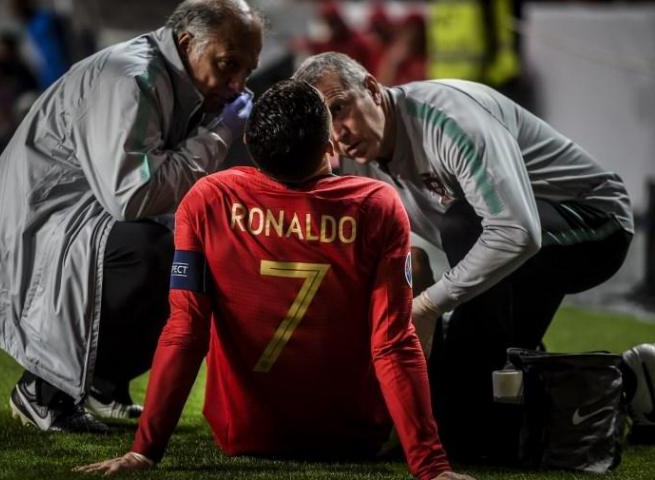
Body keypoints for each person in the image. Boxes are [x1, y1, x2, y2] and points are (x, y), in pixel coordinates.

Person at [74, 80, 475, 480]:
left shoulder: (209, 198)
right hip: (355, 436)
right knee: (417, 266)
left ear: (249, 142)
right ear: (330, 146)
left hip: (243, 433)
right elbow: (393, 342)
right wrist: (431, 467)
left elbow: (185, 330)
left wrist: (144, 451)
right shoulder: (376, 204)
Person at [0, 0, 262, 433]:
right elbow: (134, 197)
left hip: (81, 220)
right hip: (41, 227)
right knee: (155, 256)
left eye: (248, 71)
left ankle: (103, 385)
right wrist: (218, 135)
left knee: (190, 248)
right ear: (186, 43)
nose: (238, 84)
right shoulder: (131, 78)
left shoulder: (175, 77)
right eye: (227, 64)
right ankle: (44, 390)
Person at [293, 52, 634, 461]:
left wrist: (427, 304)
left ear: (371, 88)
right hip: (523, 243)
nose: (338, 133)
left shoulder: (446, 121)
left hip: (597, 222)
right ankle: (636, 386)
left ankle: (463, 426)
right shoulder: (353, 158)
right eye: (324, 122)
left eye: (339, 108)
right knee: (502, 373)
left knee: (464, 233)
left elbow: (515, 231)